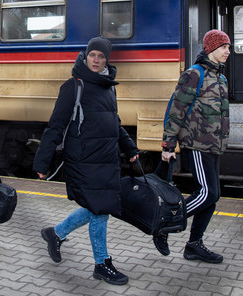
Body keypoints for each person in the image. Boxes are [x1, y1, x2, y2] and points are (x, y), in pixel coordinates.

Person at [33, 37, 140, 286]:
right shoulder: (74, 86)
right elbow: (56, 125)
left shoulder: (108, 86)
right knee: (101, 209)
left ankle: (55, 233)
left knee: (97, 207)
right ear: (85, 55)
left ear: (106, 60)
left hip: (106, 158)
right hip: (83, 160)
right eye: (92, 55)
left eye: (101, 57)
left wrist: (130, 148)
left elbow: (113, 122)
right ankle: (102, 264)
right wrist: (42, 162)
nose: (96, 60)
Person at [156, 29, 231, 263]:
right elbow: (176, 110)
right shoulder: (194, 74)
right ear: (211, 49)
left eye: (228, 47)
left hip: (213, 146)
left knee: (212, 197)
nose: (228, 51)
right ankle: (164, 223)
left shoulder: (220, 77)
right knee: (207, 192)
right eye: (224, 47)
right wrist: (168, 145)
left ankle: (194, 245)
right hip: (196, 144)